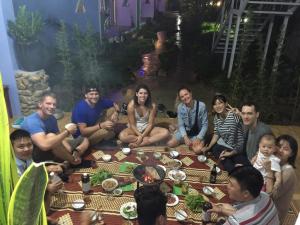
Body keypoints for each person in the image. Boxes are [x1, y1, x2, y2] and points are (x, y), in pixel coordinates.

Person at [21, 92, 89, 164]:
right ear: (40, 104)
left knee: (84, 139)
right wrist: (67, 132)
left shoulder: (52, 118)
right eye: (48, 103)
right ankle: (73, 161)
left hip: (53, 148)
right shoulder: (32, 121)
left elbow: (58, 135)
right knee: (51, 136)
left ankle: (75, 154)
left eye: (54, 104)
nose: (52, 107)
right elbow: (44, 145)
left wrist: (68, 149)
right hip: (36, 155)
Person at [208, 166, 279, 225]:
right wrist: (222, 210)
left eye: (231, 185)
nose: (227, 186)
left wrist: (220, 218)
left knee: (220, 217)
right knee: (224, 207)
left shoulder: (236, 221)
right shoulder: (265, 196)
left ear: (246, 193)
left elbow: (240, 219)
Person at [202, 94, 249, 172]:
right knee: (216, 149)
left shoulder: (234, 115)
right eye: (215, 104)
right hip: (225, 145)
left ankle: (234, 166)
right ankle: (231, 165)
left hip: (237, 148)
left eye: (220, 103)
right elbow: (216, 134)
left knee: (244, 164)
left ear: (226, 104)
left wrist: (240, 114)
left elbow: (249, 123)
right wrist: (208, 147)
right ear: (213, 107)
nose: (218, 106)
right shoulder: (216, 118)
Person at [266, 135, 298, 223]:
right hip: (266, 204)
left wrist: (269, 172)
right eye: (279, 146)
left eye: (285, 149)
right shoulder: (274, 162)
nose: (280, 150)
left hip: (273, 215)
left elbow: (272, 196)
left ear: (292, 154)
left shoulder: (288, 172)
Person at [167, 86, 208, 154]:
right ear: (181, 99)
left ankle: (198, 142)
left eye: (186, 94)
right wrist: (185, 137)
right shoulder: (180, 107)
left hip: (197, 133)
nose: (185, 97)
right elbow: (181, 125)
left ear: (190, 93)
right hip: (186, 132)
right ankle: (184, 140)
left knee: (197, 150)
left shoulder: (201, 106)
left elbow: (205, 125)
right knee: (170, 144)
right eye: (182, 96)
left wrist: (199, 138)